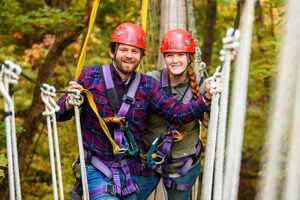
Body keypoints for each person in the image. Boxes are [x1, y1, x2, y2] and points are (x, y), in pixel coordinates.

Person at [56, 23, 212, 200]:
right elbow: (58, 114)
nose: (129, 56)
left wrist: (206, 99)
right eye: (124, 50)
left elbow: (177, 113)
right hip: (98, 168)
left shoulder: (147, 86)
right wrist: (69, 102)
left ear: (141, 57)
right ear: (112, 52)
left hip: (131, 170)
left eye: (135, 51)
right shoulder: (90, 77)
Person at [138, 29, 209, 200]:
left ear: (190, 58)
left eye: (180, 55)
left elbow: (209, 123)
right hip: (149, 160)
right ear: (164, 57)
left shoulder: (203, 87)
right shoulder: (151, 80)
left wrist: (216, 99)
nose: (175, 60)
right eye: (170, 55)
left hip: (182, 166)